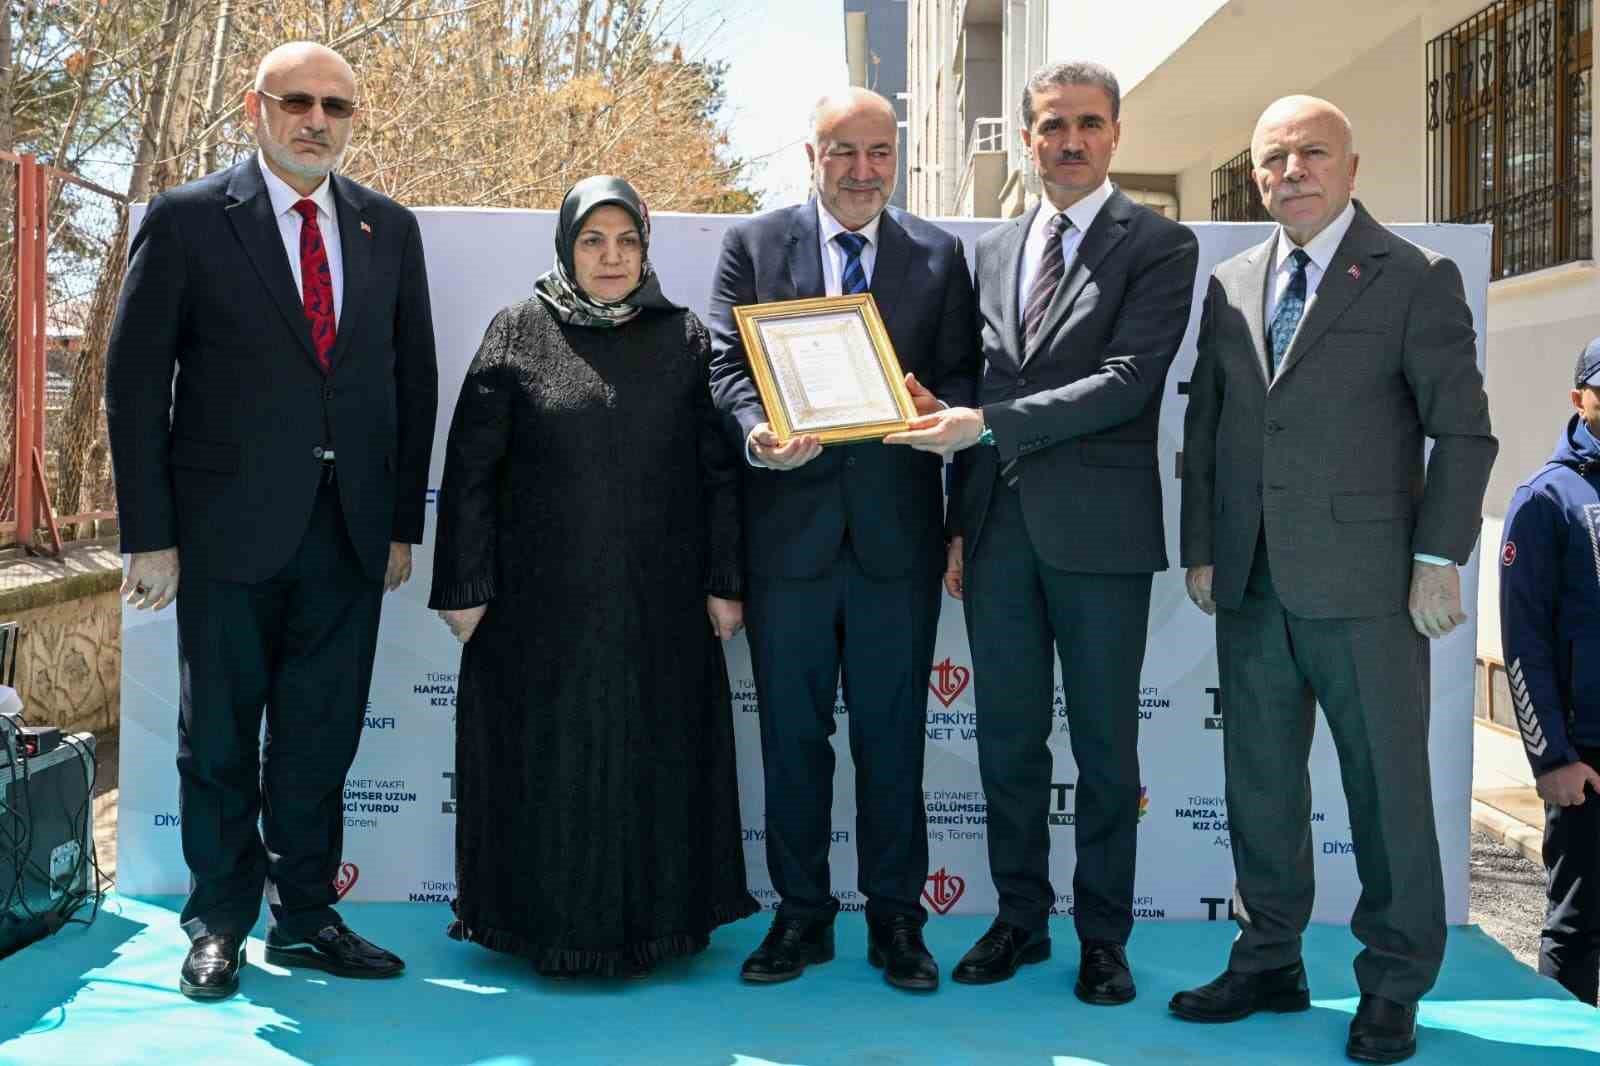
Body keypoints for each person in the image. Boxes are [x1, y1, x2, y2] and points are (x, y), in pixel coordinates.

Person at [104, 41, 439, 1000]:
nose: (316, 121)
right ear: (256, 108)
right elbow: (136, 385)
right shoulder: (188, 220)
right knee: (218, 737)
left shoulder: (388, 228)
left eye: (336, 106)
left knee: (320, 739)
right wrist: (151, 534)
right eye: (297, 101)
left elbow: (412, 382)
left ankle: (307, 917)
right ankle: (218, 921)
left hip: (350, 532)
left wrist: (401, 524)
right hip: (223, 532)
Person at [1173, 95, 1496, 1063]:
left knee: (1385, 792)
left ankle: (1393, 983)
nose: (1293, 171)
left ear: (1351, 168)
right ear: (1256, 177)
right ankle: (1268, 957)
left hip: (1369, 587)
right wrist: (1203, 547)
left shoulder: (1414, 276)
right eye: (1274, 158)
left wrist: (1436, 559)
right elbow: (1209, 429)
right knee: (1260, 788)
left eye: (1313, 153)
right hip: (1252, 582)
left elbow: (1463, 434)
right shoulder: (1231, 282)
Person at [887, 60, 1198, 1005]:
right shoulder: (984, 251)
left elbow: (1128, 383)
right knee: (1008, 743)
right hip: (996, 534)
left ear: (1116, 135)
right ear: (1026, 138)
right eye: (1053, 125)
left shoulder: (1160, 245)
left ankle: (1103, 938)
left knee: (1105, 749)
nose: (1071, 141)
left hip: (1102, 538)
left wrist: (985, 424)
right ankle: (1019, 919)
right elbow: (970, 388)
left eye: (1089, 124)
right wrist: (957, 520)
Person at [430, 175, 758, 979]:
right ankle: (539, 928)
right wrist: (465, 586)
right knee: (548, 764)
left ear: (646, 250)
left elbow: (720, 475)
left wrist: (726, 581)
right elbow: (471, 469)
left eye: (626, 242)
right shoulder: (518, 329)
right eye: (592, 241)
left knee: (654, 760)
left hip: (661, 606)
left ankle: (659, 928)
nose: (611, 258)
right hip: (536, 610)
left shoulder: (685, 338)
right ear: (566, 247)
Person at [707, 88, 979, 991]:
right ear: (811, 155)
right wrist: (757, 433)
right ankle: (801, 915)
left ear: (896, 157)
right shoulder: (753, 245)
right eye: (843, 152)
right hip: (787, 540)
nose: (863, 171)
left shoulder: (938, 255)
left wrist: (940, 409)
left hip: (897, 542)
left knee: (894, 740)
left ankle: (897, 919)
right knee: (791, 739)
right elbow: (726, 368)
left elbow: (962, 382)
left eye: (879, 152)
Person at [1499, 338, 1600, 1006]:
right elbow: (1523, 644)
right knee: (1577, 927)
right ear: (1579, 399)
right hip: (1587, 759)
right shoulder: (1545, 499)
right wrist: (1552, 758)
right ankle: (1568, 1049)